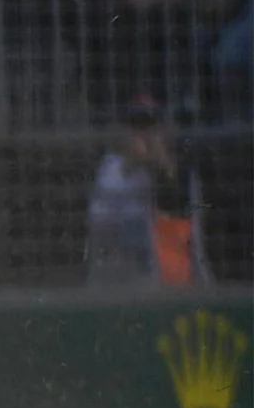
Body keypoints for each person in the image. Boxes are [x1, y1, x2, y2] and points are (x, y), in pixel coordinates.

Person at [87, 91, 212, 285]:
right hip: (122, 275)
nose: (144, 134)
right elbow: (102, 224)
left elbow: (184, 215)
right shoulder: (110, 167)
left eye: (150, 125)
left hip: (173, 278)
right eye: (136, 125)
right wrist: (136, 163)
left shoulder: (181, 170)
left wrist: (160, 164)